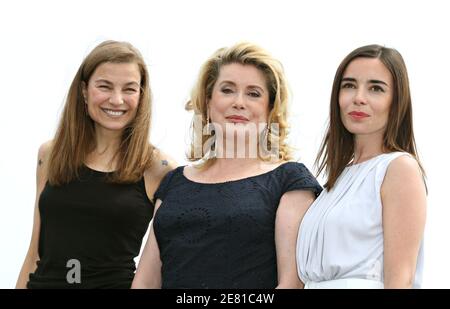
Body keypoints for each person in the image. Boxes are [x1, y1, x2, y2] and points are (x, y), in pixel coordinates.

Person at [132, 42, 322, 289]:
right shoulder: (174, 182)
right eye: (228, 90)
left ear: (270, 109)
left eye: (253, 93)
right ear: (208, 101)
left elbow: (292, 284)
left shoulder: (289, 180)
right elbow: (146, 282)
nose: (239, 102)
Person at [15, 40, 176, 288]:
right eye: (105, 86)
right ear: (84, 90)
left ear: (141, 95)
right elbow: (34, 253)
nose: (117, 99)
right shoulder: (50, 154)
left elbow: (162, 265)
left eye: (129, 89)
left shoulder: (159, 168)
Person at [296, 44, 427, 289]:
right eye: (349, 85)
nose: (359, 98)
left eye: (376, 88)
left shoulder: (399, 169)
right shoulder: (335, 182)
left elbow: (401, 279)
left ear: (396, 101)